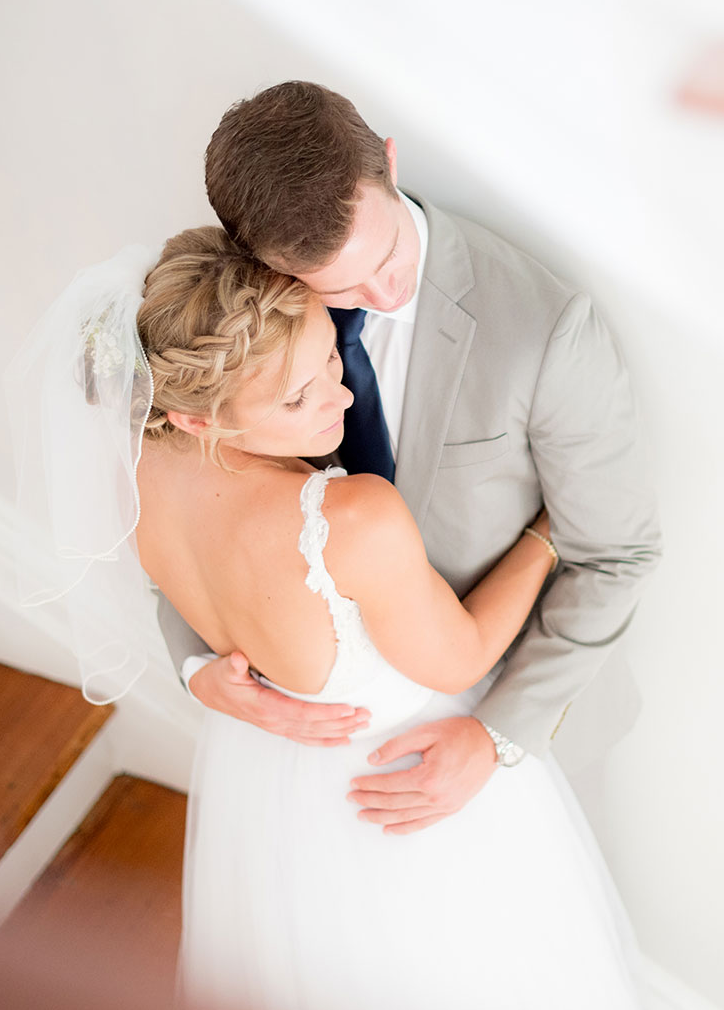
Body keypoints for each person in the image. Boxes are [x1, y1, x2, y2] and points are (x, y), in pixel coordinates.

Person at [128, 228, 656, 1010]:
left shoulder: (142, 459)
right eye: (297, 400)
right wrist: (546, 535)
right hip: (402, 798)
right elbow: (468, 651)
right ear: (197, 419)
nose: (339, 404)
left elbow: (171, 580)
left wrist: (198, 668)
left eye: (328, 364)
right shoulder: (352, 518)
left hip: (269, 792)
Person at [163, 82, 661, 833]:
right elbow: (197, 482)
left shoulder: (545, 333)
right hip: (324, 742)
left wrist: (497, 737)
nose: (384, 290)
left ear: (390, 163)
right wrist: (198, 668)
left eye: (387, 253)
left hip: (511, 712)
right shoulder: (247, 317)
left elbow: (617, 555)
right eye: (339, 286)